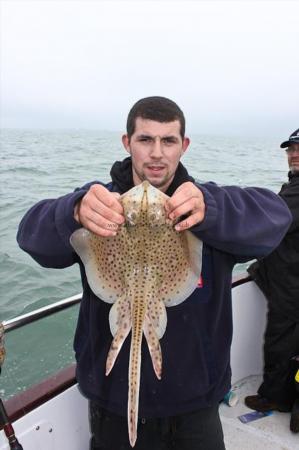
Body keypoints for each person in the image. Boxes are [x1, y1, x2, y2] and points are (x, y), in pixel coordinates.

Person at [17, 96, 292, 450]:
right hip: (112, 402)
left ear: (184, 145)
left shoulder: (205, 209)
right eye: (145, 139)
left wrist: (212, 208)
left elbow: (275, 218)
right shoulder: (100, 204)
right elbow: (29, 235)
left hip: (196, 404)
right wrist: (73, 210)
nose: (157, 153)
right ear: (127, 142)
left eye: (168, 140)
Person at [245, 128, 299, 433]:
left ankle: (275, 398)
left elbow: (267, 222)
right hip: (287, 276)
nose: (293, 154)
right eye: (290, 149)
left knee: (280, 341)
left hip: (291, 286)